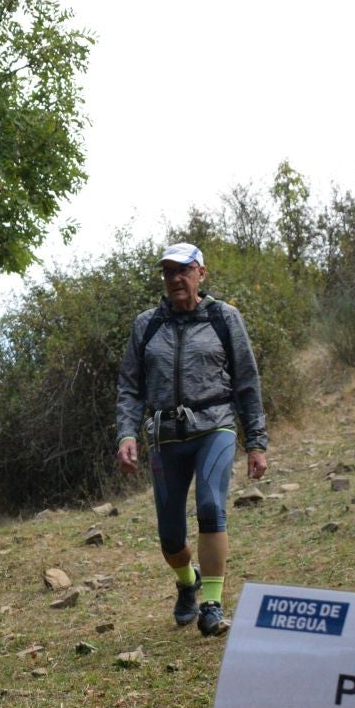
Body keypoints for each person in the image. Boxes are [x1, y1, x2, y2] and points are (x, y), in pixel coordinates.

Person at [114, 242, 269, 636]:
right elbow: (130, 388)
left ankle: (213, 605)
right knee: (169, 537)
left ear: (201, 272)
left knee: (210, 506)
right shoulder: (147, 324)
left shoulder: (223, 318)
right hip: (165, 437)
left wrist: (256, 442)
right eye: (168, 272)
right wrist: (127, 433)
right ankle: (188, 583)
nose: (175, 279)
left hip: (214, 425)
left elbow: (247, 383)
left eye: (183, 270)